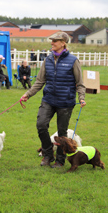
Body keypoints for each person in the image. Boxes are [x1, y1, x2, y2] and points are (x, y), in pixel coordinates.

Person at [20, 31, 86, 168]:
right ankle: (48, 155)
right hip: (48, 100)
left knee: (62, 133)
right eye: (52, 40)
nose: (52, 43)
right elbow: (39, 81)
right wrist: (27, 94)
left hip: (65, 102)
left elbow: (80, 83)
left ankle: (60, 160)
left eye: (55, 41)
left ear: (63, 43)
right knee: (41, 125)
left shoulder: (73, 60)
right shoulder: (47, 60)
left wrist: (81, 98)